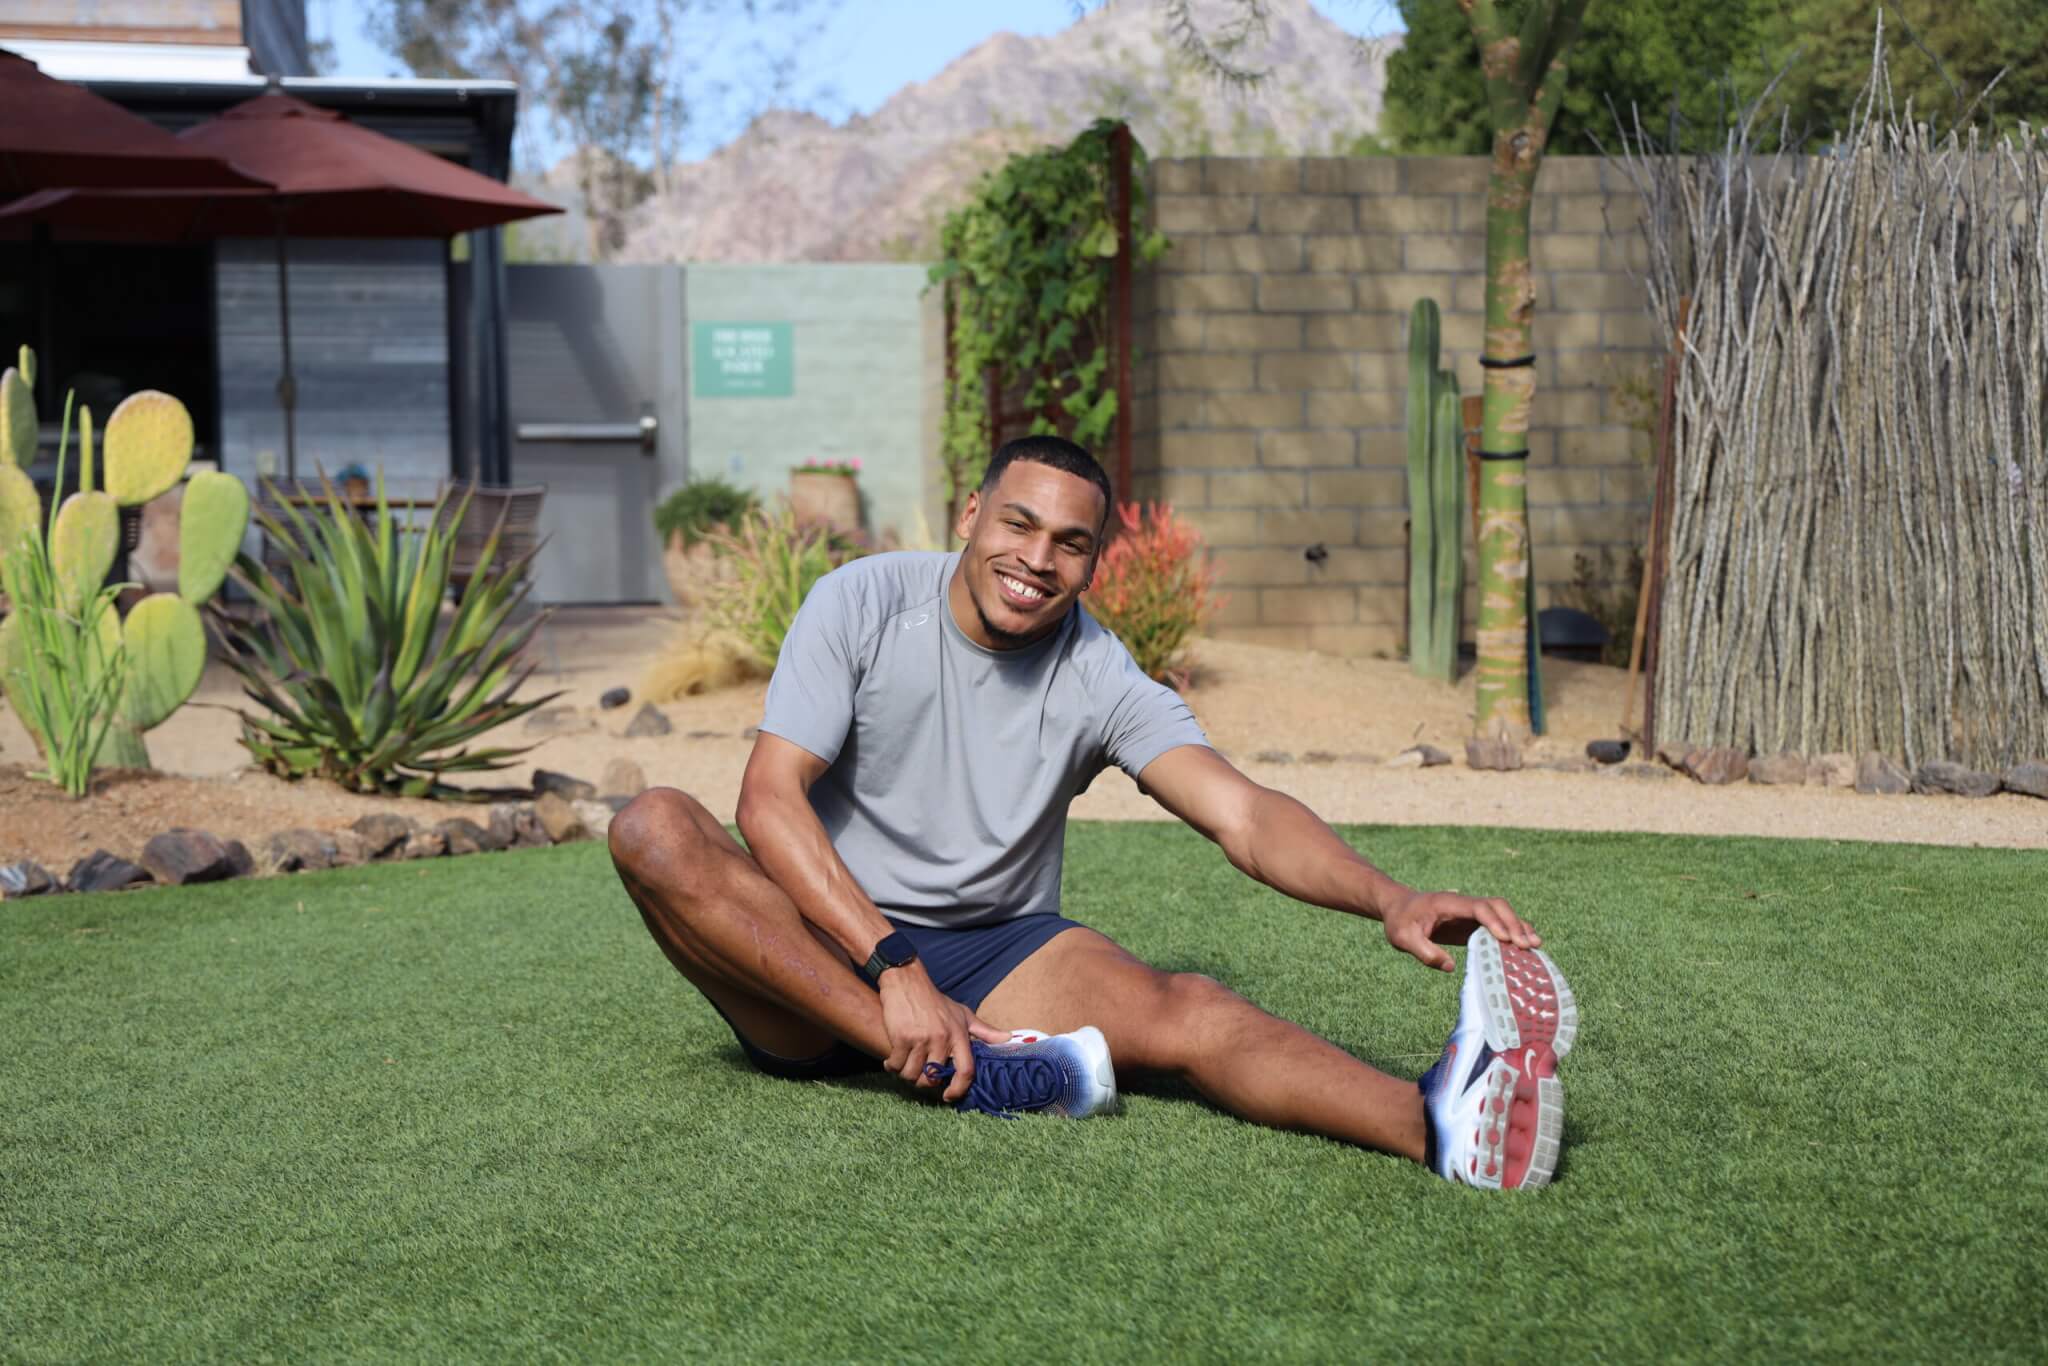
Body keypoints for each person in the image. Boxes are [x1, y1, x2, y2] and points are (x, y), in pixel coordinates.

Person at [609, 435, 1577, 1189]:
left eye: (1069, 544)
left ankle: (1437, 1123)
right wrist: (893, 969)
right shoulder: (861, 601)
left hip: (996, 947)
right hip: (817, 945)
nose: (1036, 560)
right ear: (971, 513)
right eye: (1018, 525)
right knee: (652, 826)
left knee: (1192, 1009)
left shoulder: (1098, 673)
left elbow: (1243, 815)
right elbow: (768, 801)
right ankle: (964, 1069)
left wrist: (1388, 896)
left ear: (1093, 561)